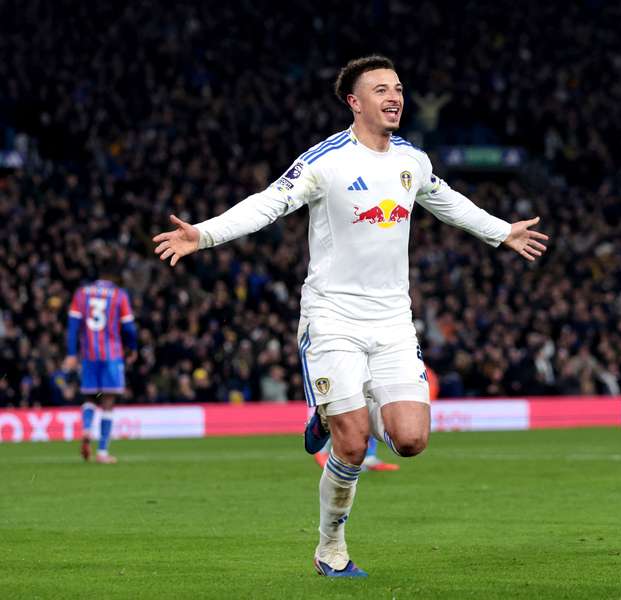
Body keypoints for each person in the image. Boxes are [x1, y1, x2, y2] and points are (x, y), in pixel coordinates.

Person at [151, 55, 547, 577]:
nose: (395, 96)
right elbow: (267, 203)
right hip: (332, 316)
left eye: (400, 87)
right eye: (382, 88)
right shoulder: (326, 160)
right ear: (354, 103)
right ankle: (330, 547)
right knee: (354, 443)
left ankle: (334, 406)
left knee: (410, 440)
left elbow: (449, 202)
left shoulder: (413, 160)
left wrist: (503, 231)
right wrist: (203, 233)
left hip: (392, 322)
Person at [64, 256, 138, 464]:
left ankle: (87, 428)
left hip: (88, 355)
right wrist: (132, 348)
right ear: (115, 276)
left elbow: (72, 327)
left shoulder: (81, 294)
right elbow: (130, 328)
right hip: (112, 355)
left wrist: (71, 353)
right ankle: (102, 451)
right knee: (108, 402)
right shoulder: (118, 295)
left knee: (89, 397)